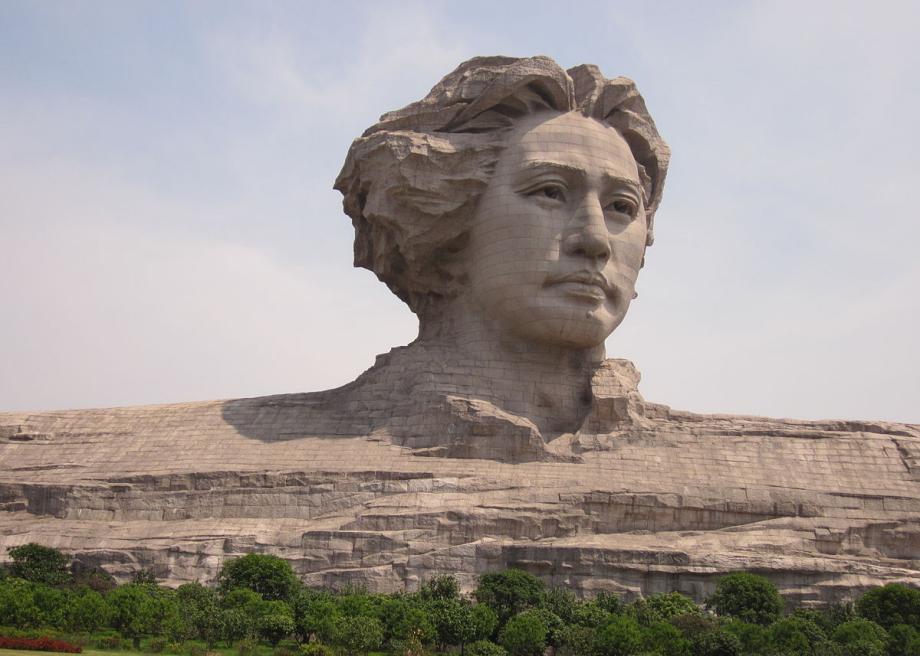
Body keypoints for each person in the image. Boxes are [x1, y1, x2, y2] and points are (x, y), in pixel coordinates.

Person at [331, 56, 670, 444]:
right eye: (550, 192)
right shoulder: (261, 455)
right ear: (449, 223)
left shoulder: (741, 465)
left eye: (621, 207)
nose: (594, 240)